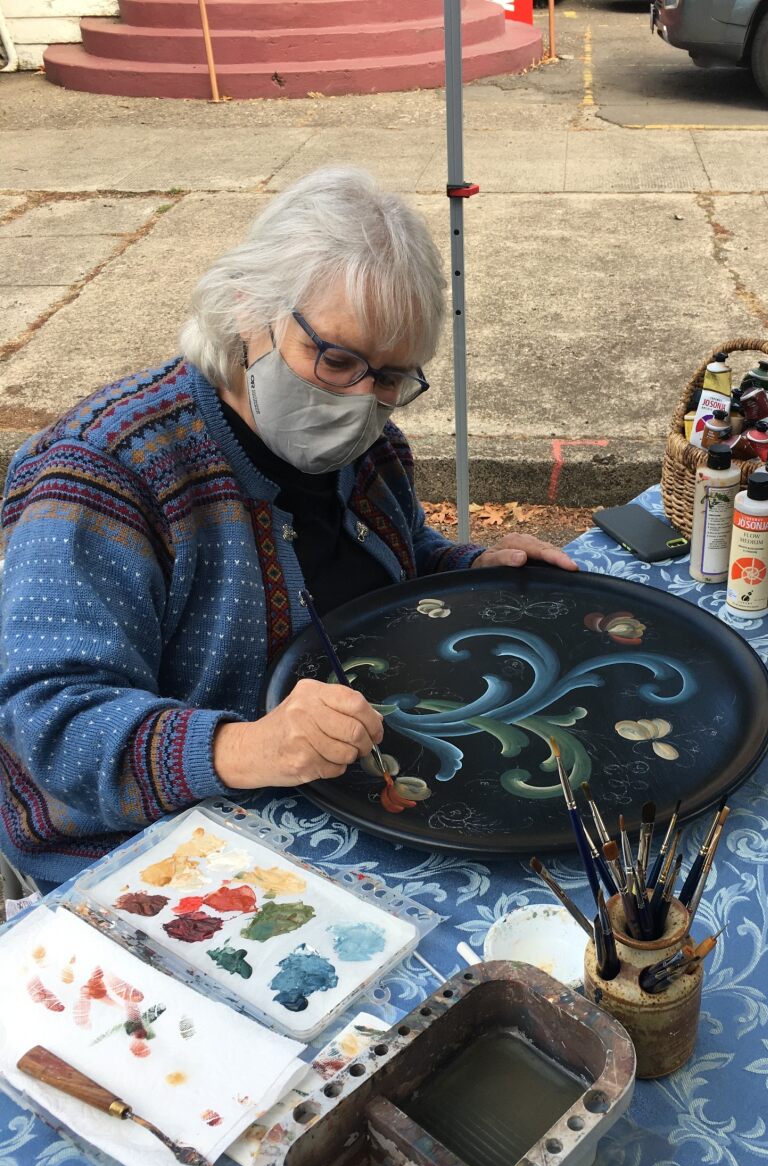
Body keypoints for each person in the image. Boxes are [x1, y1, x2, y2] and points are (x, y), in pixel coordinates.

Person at [0, 166, 576, 893]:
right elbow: (50, 723)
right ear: (249, 310)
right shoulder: (104, 472)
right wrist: (247, 747)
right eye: (335, 360)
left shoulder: (370, 445)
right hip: (151, 856)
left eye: (392, 377)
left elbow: (383, 565)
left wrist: (469, 564)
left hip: (347, 793)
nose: (363, 400)